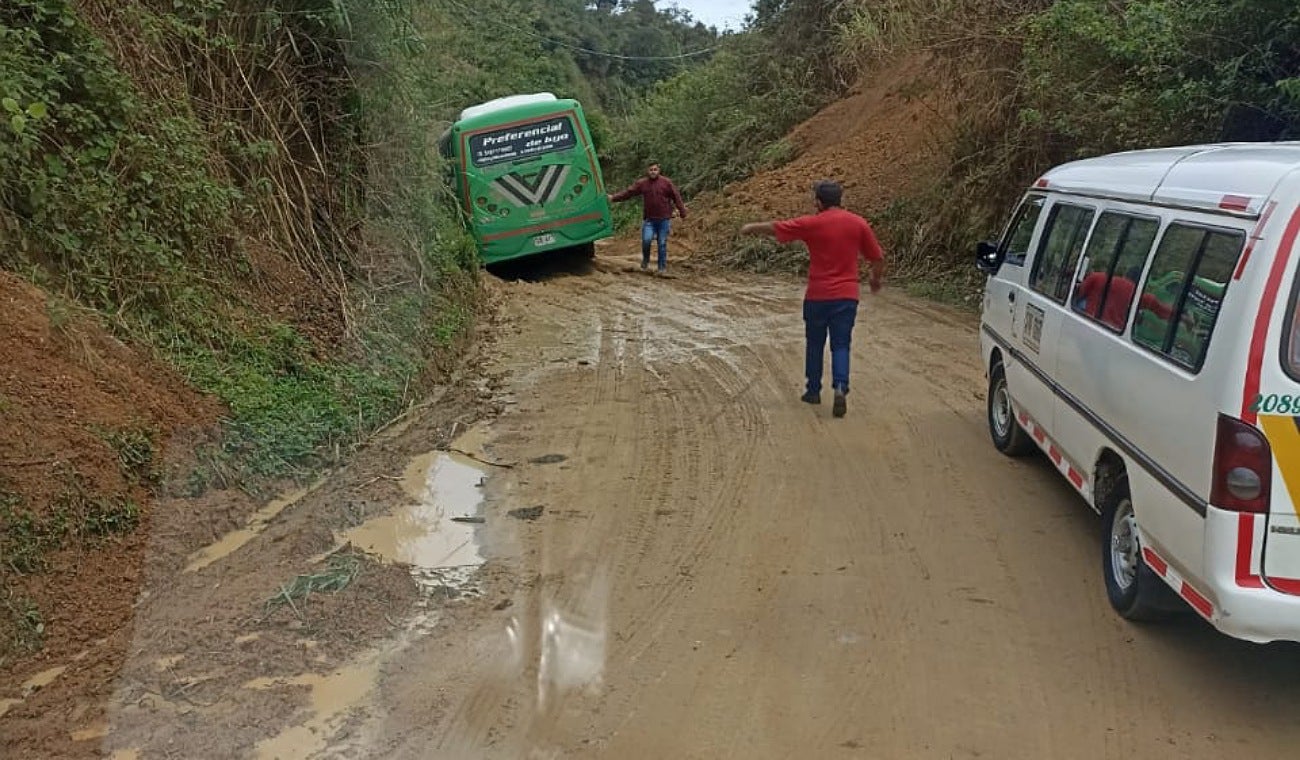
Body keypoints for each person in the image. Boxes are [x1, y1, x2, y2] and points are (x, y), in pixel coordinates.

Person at [739, 180, 886, 418]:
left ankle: (813, 391)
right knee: (841, 344)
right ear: (840, 199)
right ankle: (840, 387)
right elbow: (877, 257)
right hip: (846, 296)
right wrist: (875, 280)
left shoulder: (812, 223)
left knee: (815, 343)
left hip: (818, 295)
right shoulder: (858, 223)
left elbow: (777, 227)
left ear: (818, 202)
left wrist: (750, 227)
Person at [608, 162, 688, 273]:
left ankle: (661, 268)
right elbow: (629, 192)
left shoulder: (666, 183)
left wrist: (682, 212)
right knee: (646, 240)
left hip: (664, 219)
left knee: (662, 243)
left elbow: (676, 197)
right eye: (651, 170)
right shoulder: (642, 183)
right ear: (647, 171)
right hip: (649, 220)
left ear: (659, 170)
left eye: (655, 169)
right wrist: (614, 198)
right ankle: (645, 260)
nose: (653, 172)